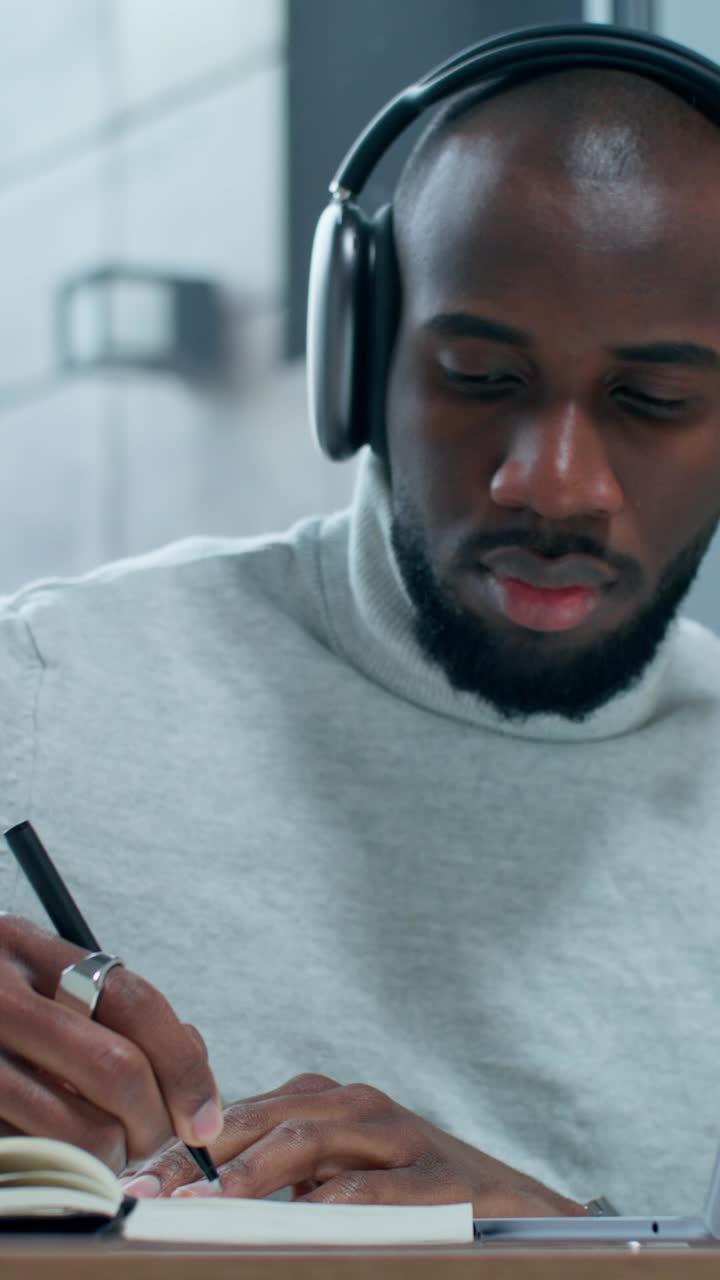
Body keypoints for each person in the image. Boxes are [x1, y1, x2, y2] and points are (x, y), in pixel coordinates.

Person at [2, 42, 720, 1220]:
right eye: (480, 375)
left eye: (653, 401)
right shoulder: (36, 694)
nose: (554, 485)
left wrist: (558, 1246)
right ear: (358, 359)